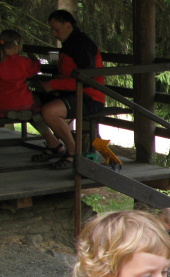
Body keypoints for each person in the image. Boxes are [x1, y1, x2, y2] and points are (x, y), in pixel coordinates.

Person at [36, 10, 106, 170]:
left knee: (49, 112)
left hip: (89, 97)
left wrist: (54, 85)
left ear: (68, 25)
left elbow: (87, 79)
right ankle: (53, 144)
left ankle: (74, 152)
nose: (54, 34)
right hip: (70, 93)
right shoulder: (69, 44)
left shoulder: (82, 45)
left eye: (56, 30)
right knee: (30, 101)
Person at [0, 29, 43, 119]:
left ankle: (10, 114)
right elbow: (36, 68)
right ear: (16, 46)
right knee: (37, 101)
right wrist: (32, 57)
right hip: (23, 102)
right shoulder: (24, 62)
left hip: (3, 104)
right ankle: (30, 114)